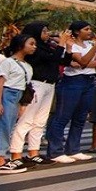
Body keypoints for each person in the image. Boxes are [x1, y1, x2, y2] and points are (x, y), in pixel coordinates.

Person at [9, 22, 70, 167]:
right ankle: (15, 154)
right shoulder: (35, 50)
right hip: (37, 84)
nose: (47, 34)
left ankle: (33, 152)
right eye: (44, 31)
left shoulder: (48, 47)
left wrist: (68, 46)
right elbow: (52, 58)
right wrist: (61, 43)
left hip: (50, 84)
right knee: (26, 120)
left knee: (40, 121)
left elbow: (63, 61)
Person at [45, 21, 96, 164]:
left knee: (80, 118)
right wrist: (90, 54)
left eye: (90, 28)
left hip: (89, 80)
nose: (90, 31)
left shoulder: (90, 45)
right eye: (86, 29)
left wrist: (83, 62)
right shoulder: (72, 45)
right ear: (77, 31)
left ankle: (73, 149)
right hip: (72, 81)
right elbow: (84, 61)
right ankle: (55, 151)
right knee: (62, 117)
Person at [0, 34, 36, 174]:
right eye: (31, 43)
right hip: (6, 94)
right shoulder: (8, 62)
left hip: (17, 96)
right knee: (2, 127)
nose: (34, 47)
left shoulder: (27, 66)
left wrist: (22, 104)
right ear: (20, 45)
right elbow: (0, 82)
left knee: (5, 126)